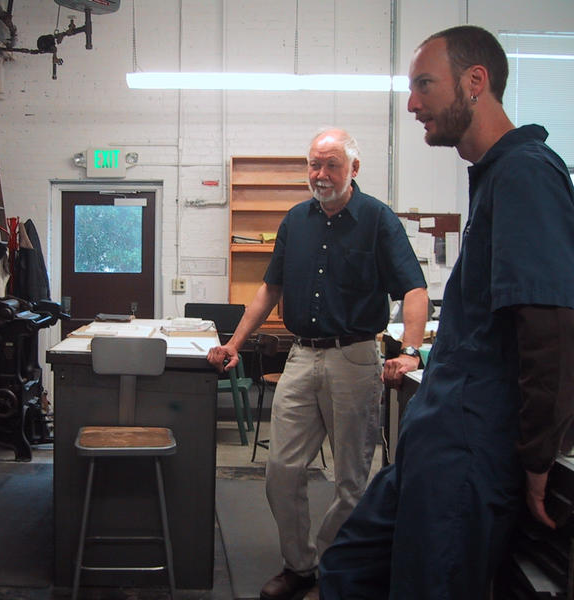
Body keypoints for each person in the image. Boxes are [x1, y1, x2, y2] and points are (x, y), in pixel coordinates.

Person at [320, 25, 574, 599]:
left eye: (424, 85)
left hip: (468, 448)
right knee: (348, 567)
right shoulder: (494, 176)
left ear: (474, 81)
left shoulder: (527, 172)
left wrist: (538, 457)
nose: (412, 103)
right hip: (436, 436)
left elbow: (551, 330)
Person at [207, 127, 428, 600]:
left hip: (355, 358)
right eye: (314, 164)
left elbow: (413, 288)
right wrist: (234, 344)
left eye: (331, 164)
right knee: (281, 471)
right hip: (301, 355)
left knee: (352, 480)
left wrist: (410, 350)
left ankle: (332, 566)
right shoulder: (295, 221)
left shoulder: (378, 219)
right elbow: (270, 288)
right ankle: (300, 566)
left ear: (354, 169)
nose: (320, 174)